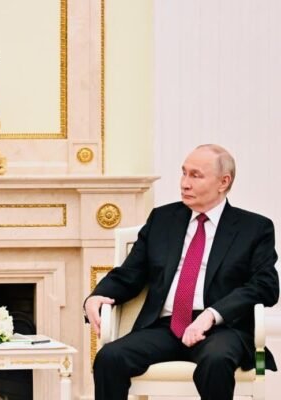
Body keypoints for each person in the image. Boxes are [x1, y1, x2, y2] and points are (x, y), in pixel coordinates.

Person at [85, 144, 279, 400]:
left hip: (221, 329)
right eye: (184, 173)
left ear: (223, 182)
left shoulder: (253, 228)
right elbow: (130, 273)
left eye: (196, 175)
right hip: (165, 327)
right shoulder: (162, 219)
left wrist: (212, 315)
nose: (184, 183)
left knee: (216, 360)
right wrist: (97, 296)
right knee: (109, 358)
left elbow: (266, 286)